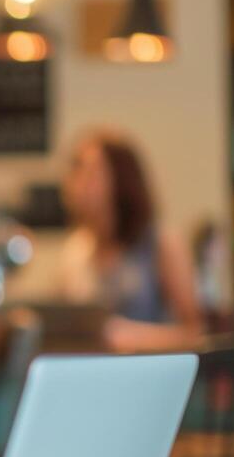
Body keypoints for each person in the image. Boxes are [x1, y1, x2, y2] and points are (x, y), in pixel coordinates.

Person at [56, 130, 204, 352]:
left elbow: (195, 333)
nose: (75, 184)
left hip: (152, 378)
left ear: (120, 178)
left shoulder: (162, 244)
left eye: (89, 173)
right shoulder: (75, 251)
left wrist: (133, 336)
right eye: (74, 171)